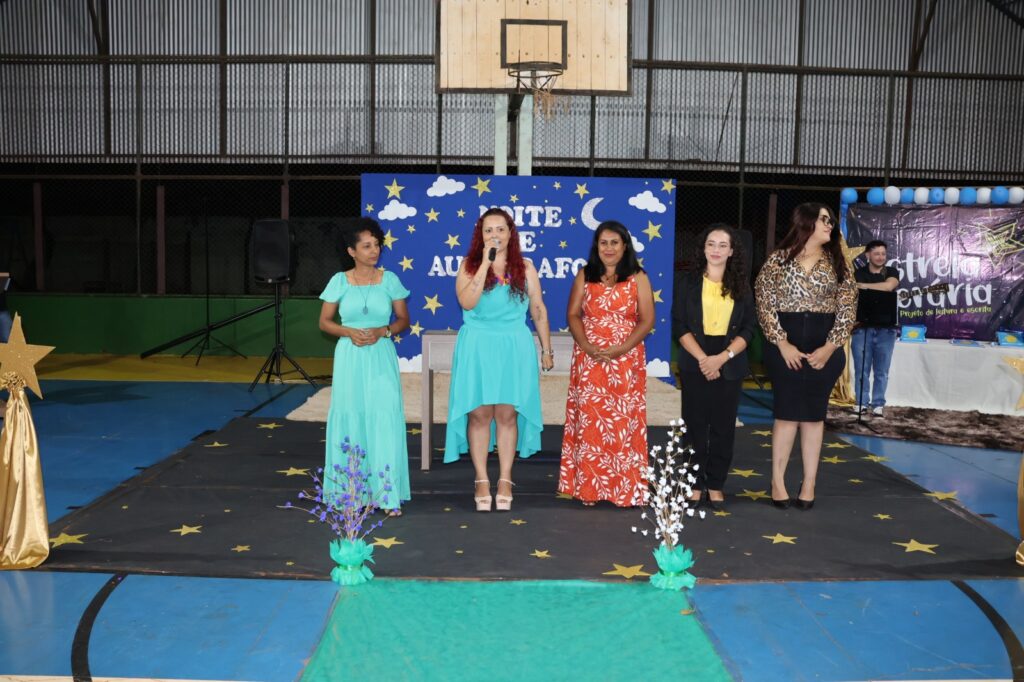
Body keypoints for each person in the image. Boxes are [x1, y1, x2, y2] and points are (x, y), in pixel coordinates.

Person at [445, 208, 554, 512]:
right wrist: (485, 265)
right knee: (479, 415)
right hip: (478, 345)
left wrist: (546, 349)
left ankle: (505, 478)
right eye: (488, 230)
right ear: (480, 236)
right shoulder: (468, 266)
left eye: (501, 229)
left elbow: (538, 309)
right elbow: (467, 301)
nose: (495, 235)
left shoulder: (526, 268)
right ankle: (481, 479)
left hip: (513, 345)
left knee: (507, 415)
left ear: (510, 233)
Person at [755, 203, 857, 511]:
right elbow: (764, 303)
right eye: (825, 220)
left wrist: (830, 347)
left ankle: (809, 483)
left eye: (831, 220)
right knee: (786, 415)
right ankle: (777, 481)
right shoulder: (777, 261)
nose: (830, 225)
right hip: (783, 347)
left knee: (814, 417)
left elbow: (848, 307)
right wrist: (781, 343)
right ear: (807, 223)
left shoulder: (839, 263)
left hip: (825, 347)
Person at [318, 219, 411, 516]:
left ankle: (387, 495)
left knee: (383, 415)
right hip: (350, 357)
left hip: (381, 354)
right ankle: (352, 495)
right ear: (352, 251)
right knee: (352, 417)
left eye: (377, 245)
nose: (374, 251)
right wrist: (349, 332)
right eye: (367, 246)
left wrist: (383, 331)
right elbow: (325, 322)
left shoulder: (390, 279)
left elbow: (402, 320)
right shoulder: (339, 281)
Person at [558, 221, 655, 507]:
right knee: (591, 422)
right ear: (596, 246)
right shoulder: (585, 275)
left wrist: (620, 349)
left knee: (623, 424)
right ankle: (589, 489)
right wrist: (587, 346)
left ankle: (625, 491)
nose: (609, 248)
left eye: (615, 242)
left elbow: (647, 320)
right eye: (604, 243)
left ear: (625, 245)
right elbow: (573, 314)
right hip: (590, 359)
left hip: (626, 358)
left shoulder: (638, 276)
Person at [672, 224, 755, 511]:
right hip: (696, 359)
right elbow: (679, 325)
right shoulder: (686, 282)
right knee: (694, 426)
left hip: (728, 361)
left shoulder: (742, 284)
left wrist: (721, 358)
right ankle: (694, 484)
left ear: (732, 251)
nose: (716, 250)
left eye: (722, 245)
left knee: (722, 428)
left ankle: (716, 484)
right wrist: (703, 359)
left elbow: (748, 329)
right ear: (703, 248)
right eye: (711, 244)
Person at [852, 240, 900, 418]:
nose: (881, 257)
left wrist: (863, 286)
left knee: (881, 371)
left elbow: (889, 287)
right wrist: (859, 286)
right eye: (877, 253)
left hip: (886, 330)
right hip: (862, 329)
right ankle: (861, 403)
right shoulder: (858, 273)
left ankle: (878, 404)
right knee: (861, 369)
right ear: (867, 255)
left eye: (883, 254)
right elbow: (852, 293)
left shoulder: (892, 272)